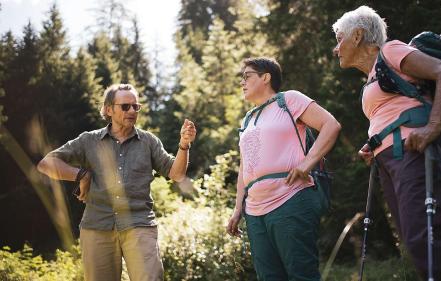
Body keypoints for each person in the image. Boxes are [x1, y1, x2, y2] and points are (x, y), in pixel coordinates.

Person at [331, 6, 441, 281]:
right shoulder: (370, 79)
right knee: (417, 249)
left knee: (426, 244)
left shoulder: (390, 51)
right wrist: (373, 144)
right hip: (391, 160)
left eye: (339, 38)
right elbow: (391, 114)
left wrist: (433, 127)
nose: (336, 48)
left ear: (358, 36)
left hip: (413, 153)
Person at [37, 83, 196, 281]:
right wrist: (81, 175)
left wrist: (184, 145)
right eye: (125, 106)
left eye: (135, 107)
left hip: (139, 224)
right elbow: (46, 164)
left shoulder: (149, 142)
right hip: (97, 225)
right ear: (109, 109)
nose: (132, 111)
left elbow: (177, 174)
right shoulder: (88, 141)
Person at [226, 57, 341, 280]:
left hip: (290, 199)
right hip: (254, 212)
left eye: (247, 76)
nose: (242, 82)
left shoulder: (289, 100)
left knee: (301, 274)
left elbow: (331, 125)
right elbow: (244, 167)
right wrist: (238, 208)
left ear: (266, 77)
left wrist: (307, 163)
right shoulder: (247, 120)